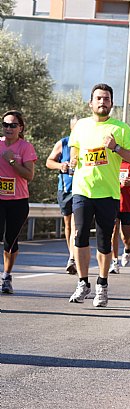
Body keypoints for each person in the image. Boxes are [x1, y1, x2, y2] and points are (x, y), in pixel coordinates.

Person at [67, 83, 130, 307]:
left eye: (106, 99)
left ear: (111, 103)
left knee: (104, 241)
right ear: (91, 103)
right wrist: (73, 157)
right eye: (98, 98)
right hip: (82, 189)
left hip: (108, 193)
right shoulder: (81, 126)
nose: (102, 102)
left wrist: (116, 148)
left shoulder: (121, 128)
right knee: (79, 236)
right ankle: (82, 282)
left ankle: (102, 284)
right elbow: (75, 146)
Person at [0, 111, 37, 294]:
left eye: (13, 125)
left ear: (20, 128)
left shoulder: (25, 147)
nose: (8, 128)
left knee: (10, 242)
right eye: (5, 124)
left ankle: (6, 276)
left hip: (17, 201)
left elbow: (29, 175)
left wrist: (12, 161)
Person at [45, 117, 78, 275]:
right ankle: (71, 255)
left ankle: (72, 257)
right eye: (75, 128)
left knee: (75, 224)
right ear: (71, 128)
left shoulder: (88, 145)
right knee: (68, 224)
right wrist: (61, 165)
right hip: (65, 189)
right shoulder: (63, 143)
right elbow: (49, 161)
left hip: (82, 190)